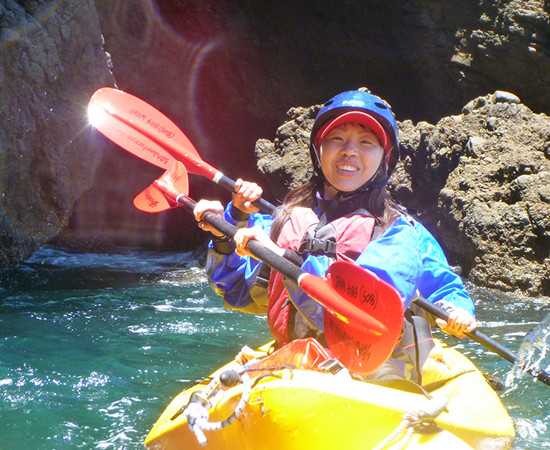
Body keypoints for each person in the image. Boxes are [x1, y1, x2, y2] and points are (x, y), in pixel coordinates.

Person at [193, 89, 477, 376]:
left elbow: (355, 319)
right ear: (319, 150)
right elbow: (236, 291)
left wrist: (456, 308)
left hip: (372, 372)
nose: (349, 150)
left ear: (385, 158)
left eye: (366, 142)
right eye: (336, 139)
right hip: (297, 361)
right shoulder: (286, 221)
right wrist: (228, 228)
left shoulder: (398, 234)